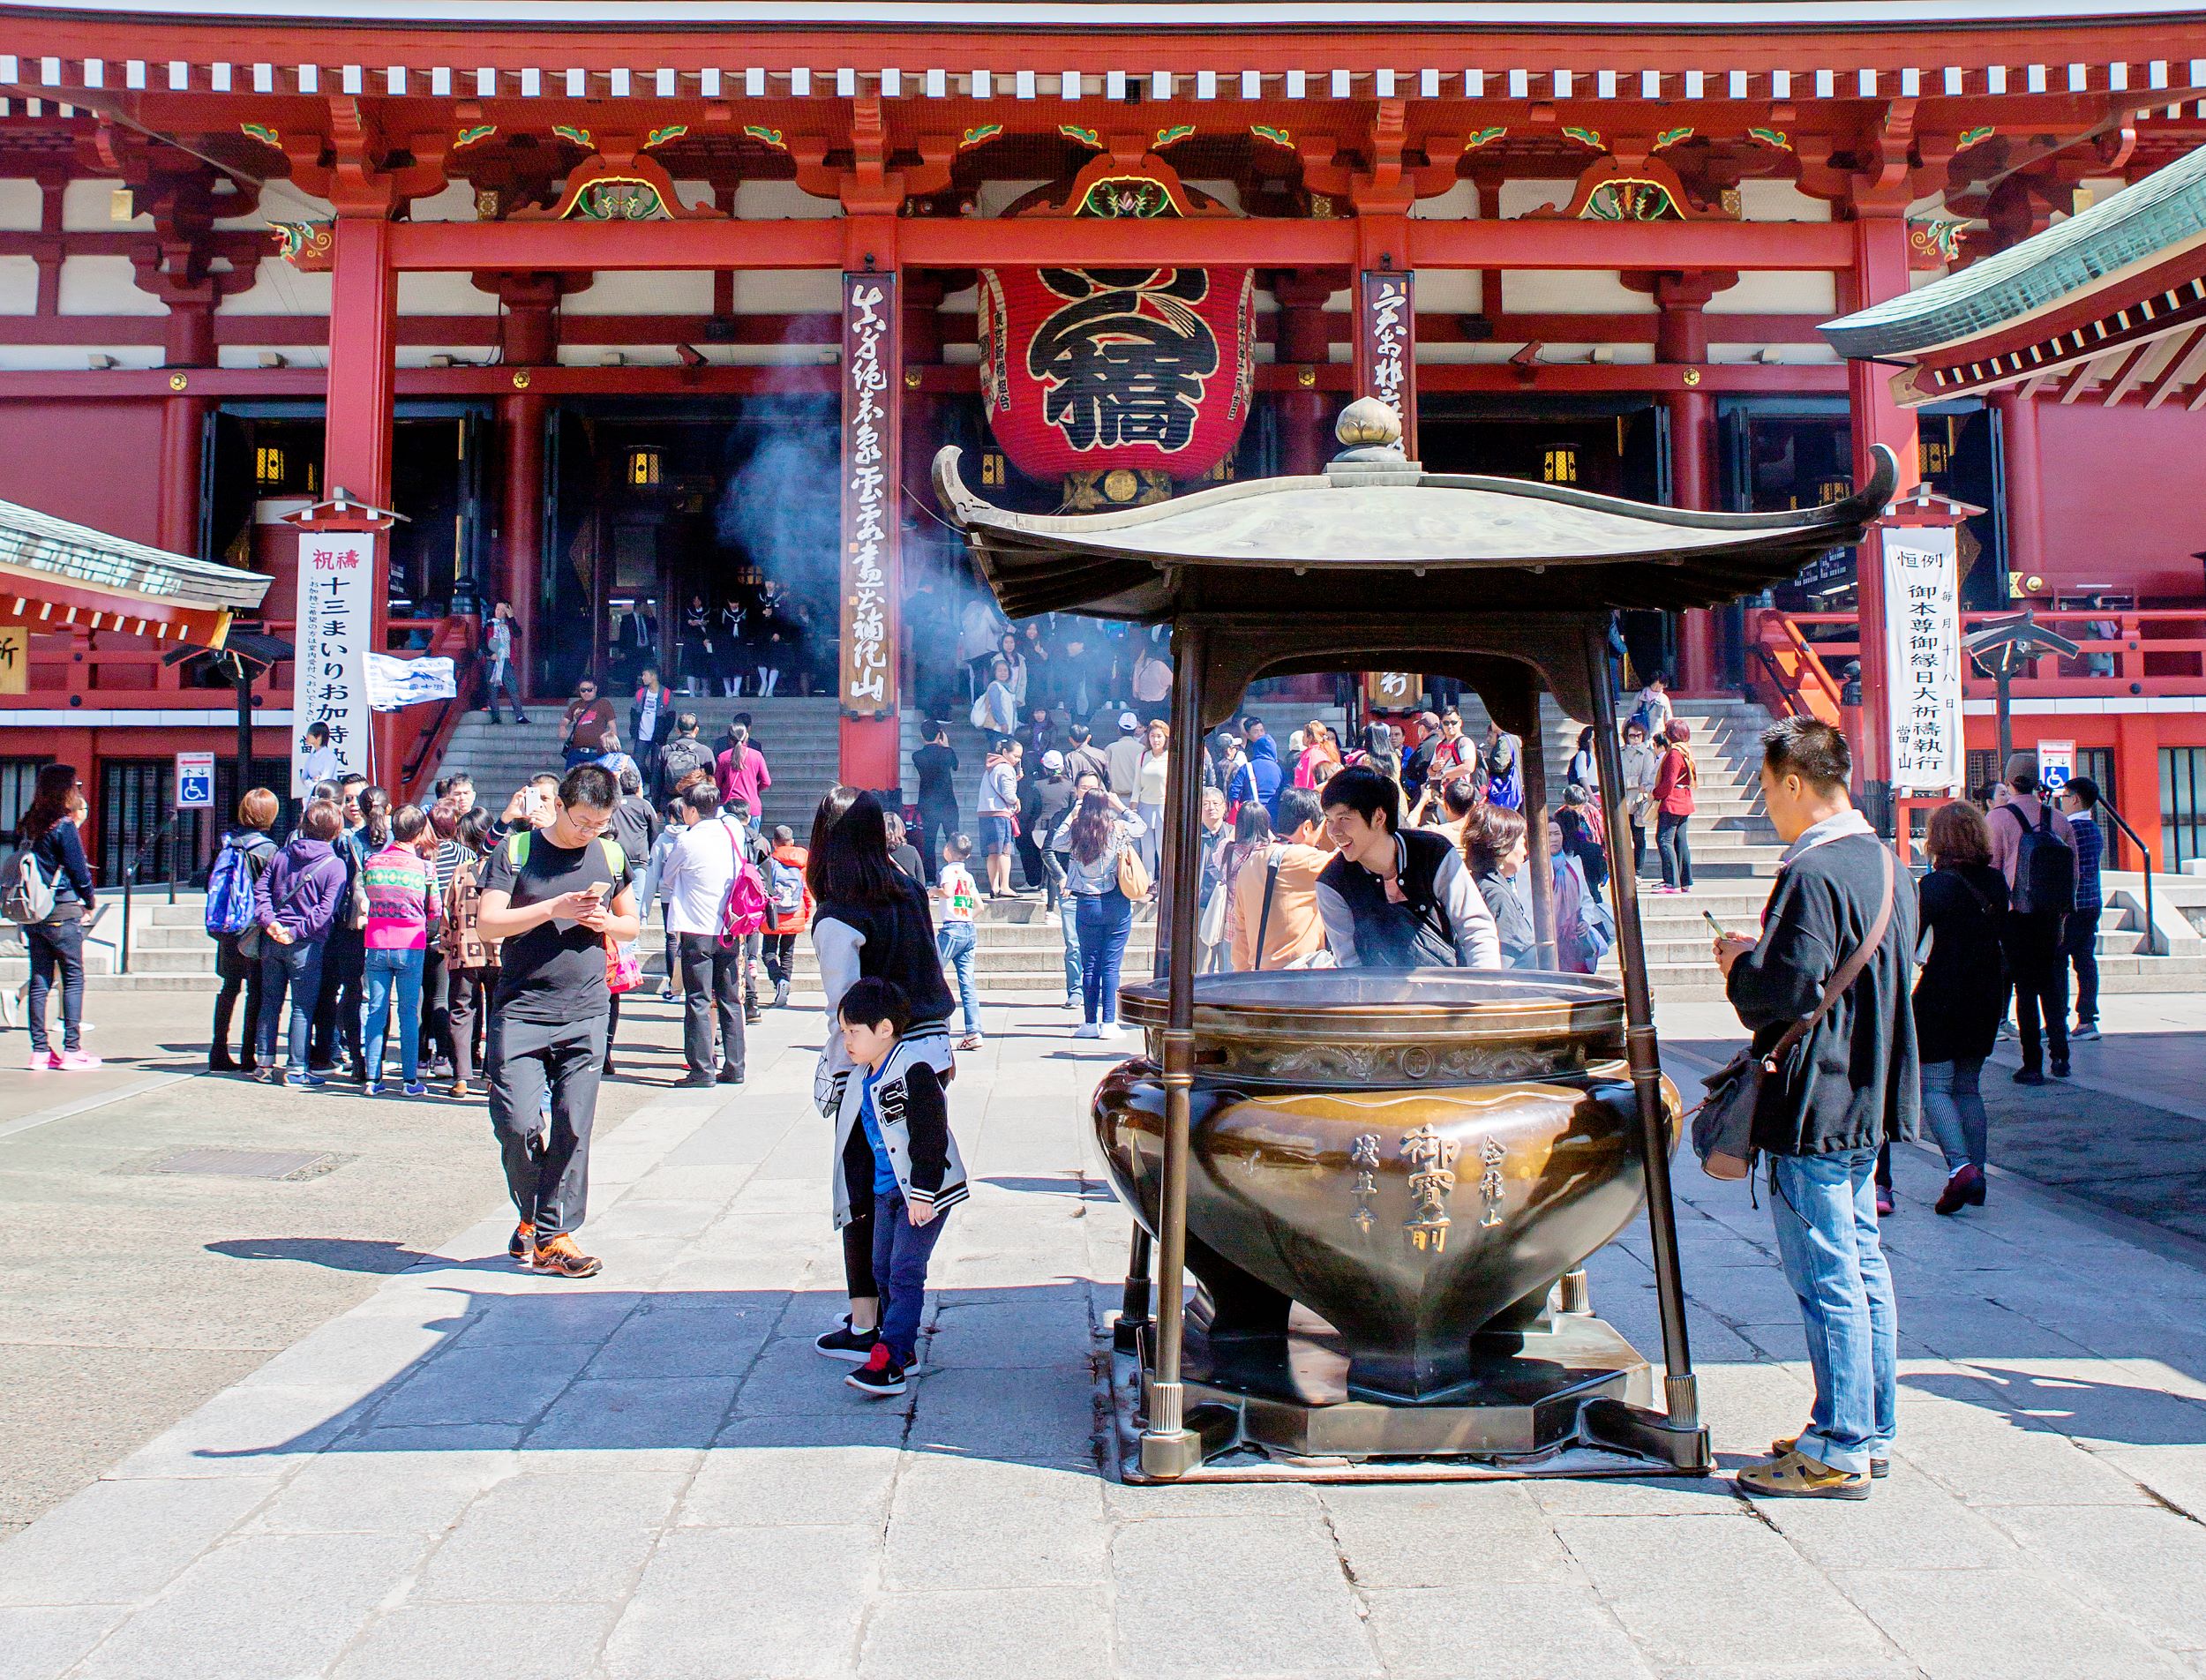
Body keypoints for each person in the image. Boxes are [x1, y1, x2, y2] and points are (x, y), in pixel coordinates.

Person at [1715, 716, 1916, 1501]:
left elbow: (1784, 991)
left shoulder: (1815, 872)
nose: (1769, 807)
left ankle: (1837, 1446)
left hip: (1817, 1098)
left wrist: (1740, 965)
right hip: (1870, 1089)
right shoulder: (1889, 865)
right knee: (1863, 1265)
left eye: (1769, 791)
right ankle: (1870, 1428)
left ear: (1797, 783)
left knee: (1828, 1272)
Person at [807, 791, 957, 1363]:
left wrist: (837, 1073)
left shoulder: (840, 913)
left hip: (873, 1065)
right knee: (902, 1180)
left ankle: (870, 1321)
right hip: (927, 1052)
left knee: (862, 1187)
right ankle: (886, 1315)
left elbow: (843, 1010)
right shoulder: (907, 886)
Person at [475, 764, 640, 1280]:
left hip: (586, 1006)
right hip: (522, 1006)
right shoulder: (518, 851)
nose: (590, 831)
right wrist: (553, 908)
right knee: (518, 1123)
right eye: (583, 821)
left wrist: (603, 921)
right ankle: (535, 1218)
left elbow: (631, 924)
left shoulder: (610, 853)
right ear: (561, 805)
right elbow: (489, 922)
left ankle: (554, 1237)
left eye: (601, 823)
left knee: (573, 1123)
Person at [832, 976, 970, 1396]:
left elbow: (931, 1134)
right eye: (844, 1032)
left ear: (885, 1029)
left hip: (924, 1192)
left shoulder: (914, 1069)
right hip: (886, 1190)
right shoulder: (865, 1074)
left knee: (906, 1271)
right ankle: (900, 1348)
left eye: (854, 1032)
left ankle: (891, 1358)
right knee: (881, 1270)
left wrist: (924, 1194)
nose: (847, 1041)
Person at [1913, 799, 2011, 1218]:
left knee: (1934, 1085)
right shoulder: (1994, 883)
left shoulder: (1933, 887)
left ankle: (1960, 1168)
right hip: (1987, 994)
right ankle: (1980, 1173)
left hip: (1941, 993)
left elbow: (1911, 941)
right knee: (1968, 1085)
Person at [1314, 766, 1501, 969]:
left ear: (1378, 817)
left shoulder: (1434, 853)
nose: (1333, 832)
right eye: (1329, 820)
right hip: (1379, 996)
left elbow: (1475, 928)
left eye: (1344, 819)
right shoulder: (1331, 883)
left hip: (1452, 988)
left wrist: (1483, 992)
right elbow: (1350, 962)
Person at [1988, 752, 2075, 1085]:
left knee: (2025, 990)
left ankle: (2032, 1063)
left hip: (2017, 915)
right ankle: (2061, 1057)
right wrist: (2065, 912)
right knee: (2053, 986)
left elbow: (1993, 871)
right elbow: (2075, 871)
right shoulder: (2059, 820)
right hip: (2052, 916)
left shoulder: (1998, 819)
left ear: (2009, 781)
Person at [252, 799, 349, 1087]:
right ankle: (296, 1068)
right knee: (301, 1007)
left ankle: (264, 1064)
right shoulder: (335, 865)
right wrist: (294, 932)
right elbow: (324, 910)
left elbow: (261, 891)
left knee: (270, 1003)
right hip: (306, 945)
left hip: (272, 940)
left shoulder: (282, 855)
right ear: (335, 829)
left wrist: (270, 922)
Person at [660, 781, 747, 1088]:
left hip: (697, 927)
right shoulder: (731, 833)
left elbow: (667, 879)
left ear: (692, 810)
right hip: (729, 927)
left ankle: (701, 1069)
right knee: (730, 998)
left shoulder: (687, 841)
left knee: (698, 998)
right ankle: (735, 1067)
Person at [13, 765, 100, 1071]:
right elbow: (78, 870)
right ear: (66, 789)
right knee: (73, 977)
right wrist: (89, 900)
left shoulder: (30, 825)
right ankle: (72, 1050)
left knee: (40, 980)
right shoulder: (63, 826)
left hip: (33, 912)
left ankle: (39, 1051)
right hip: (62, 909)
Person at [360, 804, 442, 1097]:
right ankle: (409, 1081)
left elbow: (367, 896)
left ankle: (372, 1078)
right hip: (411, 945)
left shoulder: (372, 861)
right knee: (409, 1012)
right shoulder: (424, 868)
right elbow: (435, 910)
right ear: (420, 833)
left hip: (377, 943)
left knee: (375, 1011)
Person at [1057, 788, 1145, 1038]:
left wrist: (1071, 814)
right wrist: (1121, 806)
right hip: (1115, 901)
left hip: (1086, 903)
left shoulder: (1076, 830)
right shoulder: (1117, 828)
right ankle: (1108, 1023)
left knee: (1090, 965)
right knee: (1111, 966)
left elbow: (1055, 843)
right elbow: (1141, 826)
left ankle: (1088, 1023)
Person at [208, 789, 280, 1074]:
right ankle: (249, 1053)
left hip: (228, 927)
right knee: (256, 992)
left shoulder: (228, 845)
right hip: (254, 930)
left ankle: (218, 1049)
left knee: (228, 988)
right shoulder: (267, 849)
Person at [1229, 785, 1334, 972]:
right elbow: (1349, 861)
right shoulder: (1311, 860)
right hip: (1300, 978)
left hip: (1261, 976)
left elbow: (1241, 933)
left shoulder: (1250, 864)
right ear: (1308, 827)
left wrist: (1244, 977)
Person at [440, 806, 499, 1100]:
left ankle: (462, 1077)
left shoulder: (461, 872)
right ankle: (491, 1076)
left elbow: (447, 912)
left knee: (462, 1012)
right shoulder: (506, 868)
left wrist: (445, 944)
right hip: (500, 951)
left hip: (464, 950)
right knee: (499, 1011)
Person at [2058, 776, 2105, 1043]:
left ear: (2075, 798)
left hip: (2073, 906)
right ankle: (2087, 1019)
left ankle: (2059, 1017)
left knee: (2058, 959)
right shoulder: (2094, 830)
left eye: (2064, 796)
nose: (2062, 802)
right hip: (2092, 903)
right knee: (2085, 961)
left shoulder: (2070, 830)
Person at [932, 832, 985, 1051]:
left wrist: (932, 892)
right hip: (968, 929)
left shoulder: (947, 871)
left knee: (932, 973)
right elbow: (980, 906)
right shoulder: (968, 876)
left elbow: (948, 891)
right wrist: (965, 918)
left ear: (948, 851)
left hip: (951, 930)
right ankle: (974, 1031)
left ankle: (935, 1025)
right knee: (967, 983)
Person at [1467, 805, 1536, 971]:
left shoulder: (1478, 882)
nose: (1525, 851)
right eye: (1522, 842)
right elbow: (1507, 960)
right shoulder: (1497, 896)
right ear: (1504, 846)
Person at [761, 823, 812, 1009]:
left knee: (768, 953)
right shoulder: (801, 862)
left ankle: (779, 981)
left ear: (774, 843)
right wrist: (806, 911)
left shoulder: (769, 862)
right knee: (787, 953)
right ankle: (785, 987)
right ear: (792, 842)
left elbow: (763, 890)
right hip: (794, 911)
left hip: (773, 915)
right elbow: (805, 889)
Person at [1025, 749, 1077, 914]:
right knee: (1055, 862)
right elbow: (1072, 808)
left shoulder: (1037, 785)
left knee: (1047, 859)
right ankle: (1049, 907)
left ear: (1044, 768)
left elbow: (1032, 809)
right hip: (1060, 829)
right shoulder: (1070, 786)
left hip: (1039, 829)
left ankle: (1043, 890)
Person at [912, 720, 961, 887]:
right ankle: (955, 874)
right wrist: (945, 745)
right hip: (948, 804)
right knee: (953, 839)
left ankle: (930, 878)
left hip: (928, 804)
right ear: (940, 734)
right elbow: (956, 767)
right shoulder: (947, 753)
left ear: (922, 736)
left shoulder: (917, 756)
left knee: (929, 842)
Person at [1652, 720, 1697, 894]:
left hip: (1673, 801)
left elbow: (1669, 782)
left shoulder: (1674, 754)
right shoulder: (1687, 751)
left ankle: (1671, 882)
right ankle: (1685, 881)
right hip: (1684, 799)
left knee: (1664, 839)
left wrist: (1656, 793)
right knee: (1680, 840)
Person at [977, 737, 1024, 899]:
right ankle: (1005, 886)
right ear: (1005, 752)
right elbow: (1008, 794)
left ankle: (994, 886)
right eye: (1015, 756)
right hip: (1000, 814)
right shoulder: (1006, 768)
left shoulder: (992, 766)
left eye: (1019, 757)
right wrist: (1017, 800)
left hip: (985, 813)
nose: (1017, 760)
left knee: (992, 852)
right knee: (1005, 851)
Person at [1194, 786, 1234, 973]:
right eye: (1205, 804)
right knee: (1202, 961)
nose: (1211, 808)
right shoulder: (1192, 836)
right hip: (1201, 905)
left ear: (1224, 807)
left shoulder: (1233, 834)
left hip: (1227, 905)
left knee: (1227, 960)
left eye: (1216, 804)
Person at [1618, 719, 1659, 878]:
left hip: (1637, 801)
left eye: (1638, 735)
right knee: (1622, 837)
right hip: (1621, 800)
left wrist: (1629, 782)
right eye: (1632, 735)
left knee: (1638, 837)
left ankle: (1638, 872)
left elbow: (1646, 780)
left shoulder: (1647, 754)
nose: (1635, 739)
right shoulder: (1620, 752)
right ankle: (1623, 870)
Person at [1227, 715, 1285, 824]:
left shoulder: (1248, 766)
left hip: (1251, 813)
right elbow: (1286, 788)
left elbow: (1234, 791)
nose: (1260, 734)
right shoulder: (1279, 768)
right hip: (1274, 814)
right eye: (1256, 732)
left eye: (1262, 730)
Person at [1135, 719, 1171, 880]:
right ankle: (1148, 884)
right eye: (1152, 736)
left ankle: (1164, 884)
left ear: (1165, 738)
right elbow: (1137, 783)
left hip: (1164, 807)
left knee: (1163, 850)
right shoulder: (1142, 757)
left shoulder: (1170, 757)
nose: (1155, 740)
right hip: (1145, 806)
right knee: (1147, 850)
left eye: (1159, 736)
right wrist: (1133, 807)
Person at [715, 721, 771, 822]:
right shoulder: (757, 755)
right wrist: (755, 789)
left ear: (729, 739)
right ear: (747, 737)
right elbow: (766, 781)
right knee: (752, 837)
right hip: (751, 806)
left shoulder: (723, 757)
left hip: (729, 807)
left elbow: (717, 783)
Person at [654, 710, 714, 804]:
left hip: (670, 803)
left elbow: (657, 781)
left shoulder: (665, 750)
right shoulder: (705, 752)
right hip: (695, 802)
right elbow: (711, 781)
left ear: (677, 730)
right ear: (696, 730)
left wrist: (656, 806)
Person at [559, 677, 619, 770]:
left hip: (596, 752)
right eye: (583, 690)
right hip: (576, 751)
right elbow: (565, 721)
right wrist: (562, 728)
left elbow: (612, 726)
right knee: (571, 780)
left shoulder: (604, 704)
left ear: (595, 689)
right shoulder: (575, 705)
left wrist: (612, 746)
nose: (586, 693)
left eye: (589, 690)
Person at [484, 601, 528, 724]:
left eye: (503, 610)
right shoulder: (489, 625)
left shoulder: (509, 625)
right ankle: (496, 717)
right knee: (492, 690)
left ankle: (519, 715)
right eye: (498, 609)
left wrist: (511, 616)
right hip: (492, 661)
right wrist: (490, 654)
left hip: (506, 660)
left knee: (512, 688)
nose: (499, 612)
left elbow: (518, 633)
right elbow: (482, 643)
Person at [628, 666, 668, 765]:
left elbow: (670, 717)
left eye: (644, 675)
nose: (642, 678)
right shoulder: (640, 693)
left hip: (658, 736)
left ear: (653, 676)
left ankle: (652, 780)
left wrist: (663, 734)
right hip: (642, 736)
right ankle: (646, 778)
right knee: (638, 763)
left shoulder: (666, 693)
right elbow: (633, 713)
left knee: (657, 765)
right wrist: (634, 730)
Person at [1482, 719, 1524, 812]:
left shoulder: (1504, 739)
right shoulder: (1514, 738)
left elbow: (1500, 765)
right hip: (1516, 786)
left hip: (1506, 787)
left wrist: (1484, 761)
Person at [1105, 711, 1145, 802]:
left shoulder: (1110, 748)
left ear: (1118, 729)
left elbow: (1106, 773)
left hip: (1114, 799)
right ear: (1135, 730)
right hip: (1137, 799)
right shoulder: (1142, 749)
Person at [1130, 638, 1174, 724]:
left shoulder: (1138, 666)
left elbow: (1135, 692)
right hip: (1160, 708)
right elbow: (1173, 682)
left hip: (1143, 707)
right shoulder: (1160, 666)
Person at [294, 720, 341, 792]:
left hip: (326, 797)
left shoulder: (329, 756)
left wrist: (311, 782)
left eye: (309, 734)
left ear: (319, 737)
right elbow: (303, 777)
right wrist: (311, 781)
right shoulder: (311, 756)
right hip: (311, 796)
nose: (306, 737)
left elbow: (324, 782)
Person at [1294, 719, 1341, 790]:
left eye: (1304, 735)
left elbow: (1312, 779)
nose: (1302, 737)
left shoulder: (1314, 754)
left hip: (1310, 795)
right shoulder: (1312, 753)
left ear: (1310, 737)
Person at [1063, 722, 1110, 790]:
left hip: (1080, 794)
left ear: (1070, 739)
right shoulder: (1101, 754)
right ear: (1089, 737)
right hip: (1099, 794)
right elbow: (1108, 780)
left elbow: (1069, 781)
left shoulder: (1069, 757)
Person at [1630, 671, 1673, 743]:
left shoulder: (1664, 699)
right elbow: (1631, 713)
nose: (1657, 688)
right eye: (1655, 685)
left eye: (1660, 686)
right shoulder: (1640, 696)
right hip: (1641, 734)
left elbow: (1668, 718)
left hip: (1658, 735)